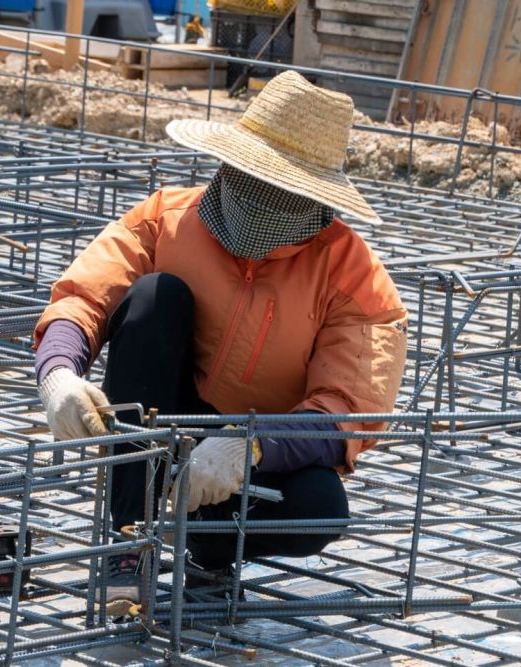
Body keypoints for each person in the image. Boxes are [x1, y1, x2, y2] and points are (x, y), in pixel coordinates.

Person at [33, 71, 406, 606]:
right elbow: (85, 295)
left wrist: (250, 445)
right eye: (256, 178)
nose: (264, 200)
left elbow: (349, 410)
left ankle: (209, 543)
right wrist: (60, 373)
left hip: (258, 449)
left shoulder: (355, 278)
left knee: (320, 506)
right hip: (160, 418)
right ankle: (128, 539)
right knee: (155, 297)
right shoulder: (166, 219)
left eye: (283, 188)